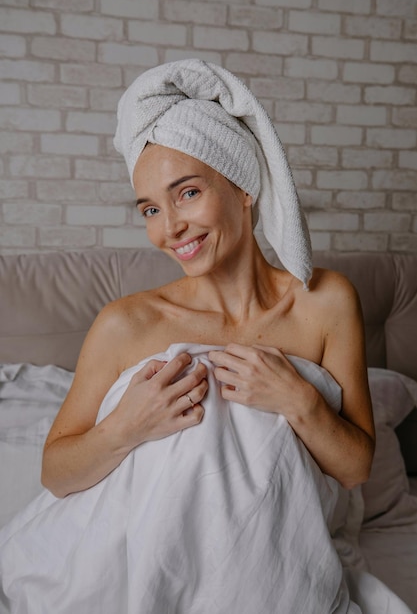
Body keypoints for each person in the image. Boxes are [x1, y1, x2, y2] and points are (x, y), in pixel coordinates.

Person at [0, 59, 387, 614]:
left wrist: (298, 400)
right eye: (151, 209)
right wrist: (126, 427)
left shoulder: (325, 303)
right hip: (138, 557)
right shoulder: (127, 324)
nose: (169, 228)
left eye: (186, 194)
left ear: (243, 187)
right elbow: (56, 474)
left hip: (268, 565)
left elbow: (354, 469)